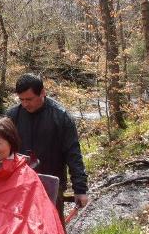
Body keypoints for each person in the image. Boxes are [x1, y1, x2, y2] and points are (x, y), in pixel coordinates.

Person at [6, 73, 88, 218]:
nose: (25, 104)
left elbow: (73, 153)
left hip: (51, 185)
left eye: (29, 99)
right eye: (21, 99)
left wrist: (80, 189)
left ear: (43, 92)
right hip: (20, 184)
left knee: (53, 226)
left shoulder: (61, 117)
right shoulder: (12, 116)